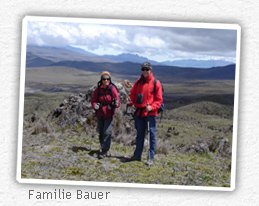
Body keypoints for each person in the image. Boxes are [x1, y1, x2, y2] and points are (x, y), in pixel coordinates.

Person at [129, 62, 163, 166]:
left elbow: (159, 100)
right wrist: (133, 103)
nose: (145, 71)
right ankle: (137, 155)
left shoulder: (156, 83)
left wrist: (152, 107)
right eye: (143, 69)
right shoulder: (138, 82)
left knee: (151, 135)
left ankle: (150, 158)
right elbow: (132, 94)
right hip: (139, 113)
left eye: (147, 69)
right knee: (140, 135)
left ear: (150, 70)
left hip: (150, 114)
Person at [91, 71, 120, 159]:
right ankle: (102, 146)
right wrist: (95, 105)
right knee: (101, 132)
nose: (106, 80)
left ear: (110, 80)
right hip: (100, 114)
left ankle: (104, 151)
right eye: (104, 79)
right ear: (101, 80)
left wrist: (116, 104)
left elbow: (117, 100)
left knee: (107, 132)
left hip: (109, 113)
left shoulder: (112, 89)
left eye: (107, 79)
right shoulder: (98, 89)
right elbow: (93, 100)